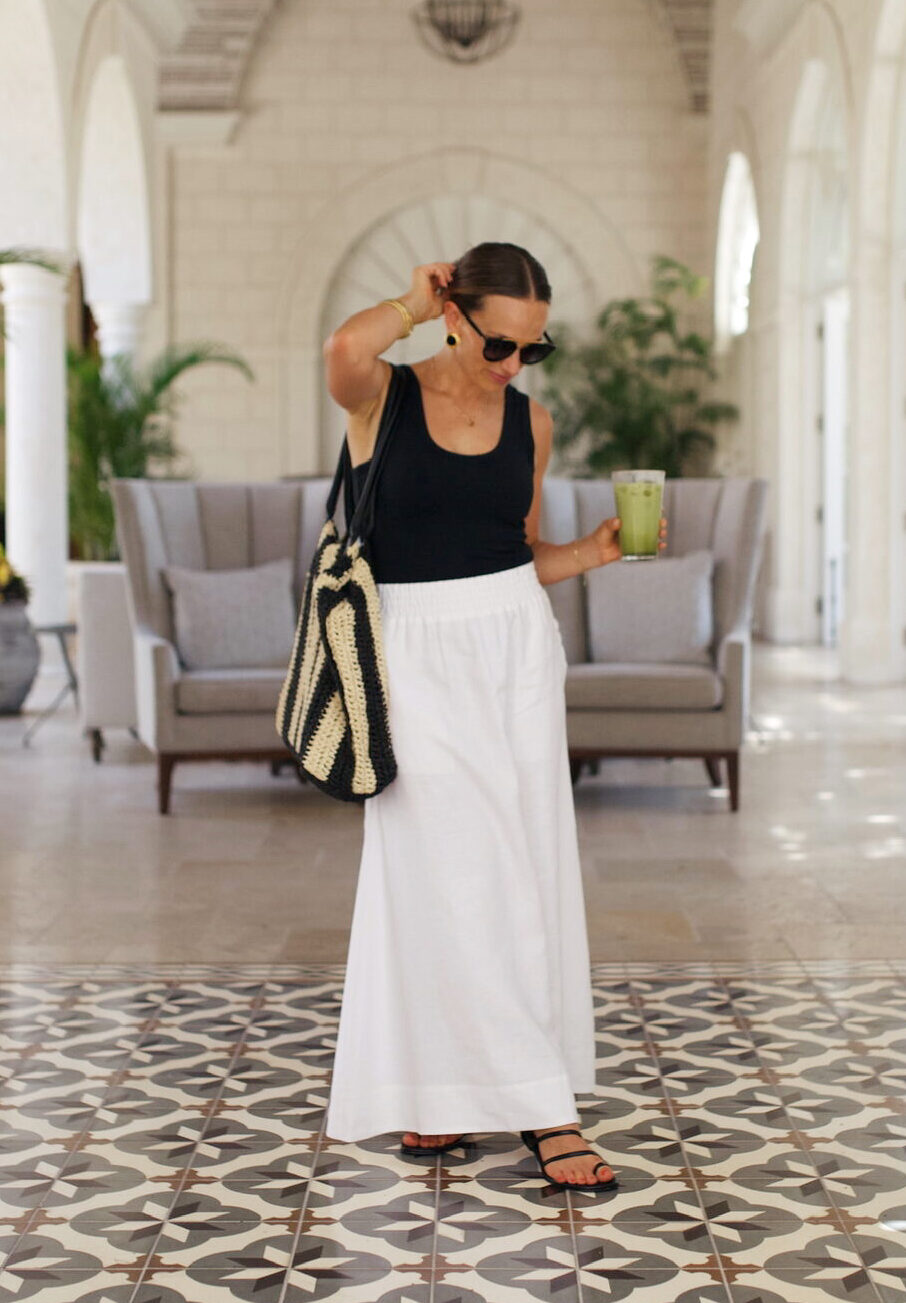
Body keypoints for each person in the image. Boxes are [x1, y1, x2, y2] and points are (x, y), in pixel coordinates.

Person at [321, 242, 667, 1189]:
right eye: (500, 344)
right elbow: (341, 351)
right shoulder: (381, 397)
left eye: (534, 348)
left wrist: (589, 554)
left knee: (520, 865)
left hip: (514, 644)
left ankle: (448, 1096)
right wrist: (405, 300)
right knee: (448, 874)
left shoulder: (532, 423)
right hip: (413, 653)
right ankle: (541, 1107)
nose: (514, 364)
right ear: (454, 315)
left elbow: (511, 552)